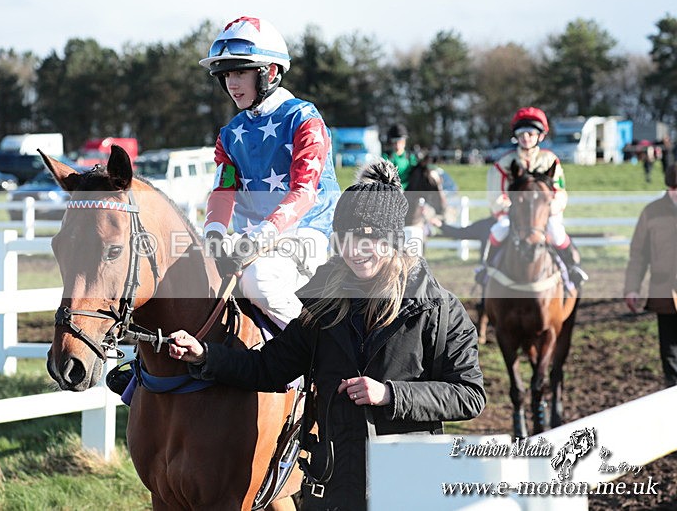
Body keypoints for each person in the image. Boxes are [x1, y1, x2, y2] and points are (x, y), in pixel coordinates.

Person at [168, 161, 485, 509]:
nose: (355, 249)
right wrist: (205, 355)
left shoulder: (436, 309)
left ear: (393, 240)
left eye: (368, 236)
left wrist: (390, 395)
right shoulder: (323, 306)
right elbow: (270, 367)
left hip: (408, 483)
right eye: (346, 237)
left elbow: (468, 395)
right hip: (334, 482)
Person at [200, 15, 341, 330]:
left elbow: (304, 192)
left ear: (271, 72)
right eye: (225, 75)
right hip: (253, 238)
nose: (231, 84)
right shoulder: (229, 133)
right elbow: (223, 190)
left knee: (260, 281)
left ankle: (313, 352)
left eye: (240, 72)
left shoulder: (304, 119)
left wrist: (259, 237)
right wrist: (214, 233)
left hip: (310, 234)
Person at [484, 107, 589, 288]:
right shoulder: (503, 163)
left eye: (531, 133)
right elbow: (495, 195)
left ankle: (572, 268)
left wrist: (550, 208)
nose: (526, 137)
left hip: (544, 213)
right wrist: (514, 208)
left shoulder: (550, 160)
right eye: (521, 133)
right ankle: (486, 268)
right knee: (500, 229)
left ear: (540, 136)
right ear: (516, 136)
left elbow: (560, 191)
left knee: (556, 232)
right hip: (514, 213)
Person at [624, 164, 677, 388]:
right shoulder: (652, 212)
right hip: (665, 292)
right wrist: (632, 287)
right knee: (670, 352)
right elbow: (638, 254)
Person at [381, 123, 417, 190]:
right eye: (395, 142)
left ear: (405, 141)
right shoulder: (385, 157)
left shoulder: (411, 158)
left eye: (400, 142)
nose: (397, 145)